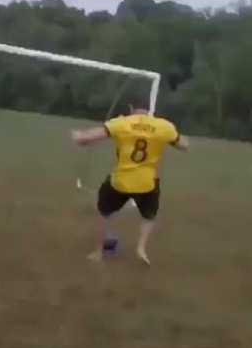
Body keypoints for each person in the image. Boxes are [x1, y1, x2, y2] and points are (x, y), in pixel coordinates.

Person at [71, 102, 189, 265]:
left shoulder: (121, 123)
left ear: (131, 108)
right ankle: (141, 248)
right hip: (147, 183)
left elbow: (87, 138)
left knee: (104, 212)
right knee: (148, 216)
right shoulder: (164, 126)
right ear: (149, 110)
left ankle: (98, 252)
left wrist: (78, 136)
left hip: (120, 181)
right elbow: (184, 145)